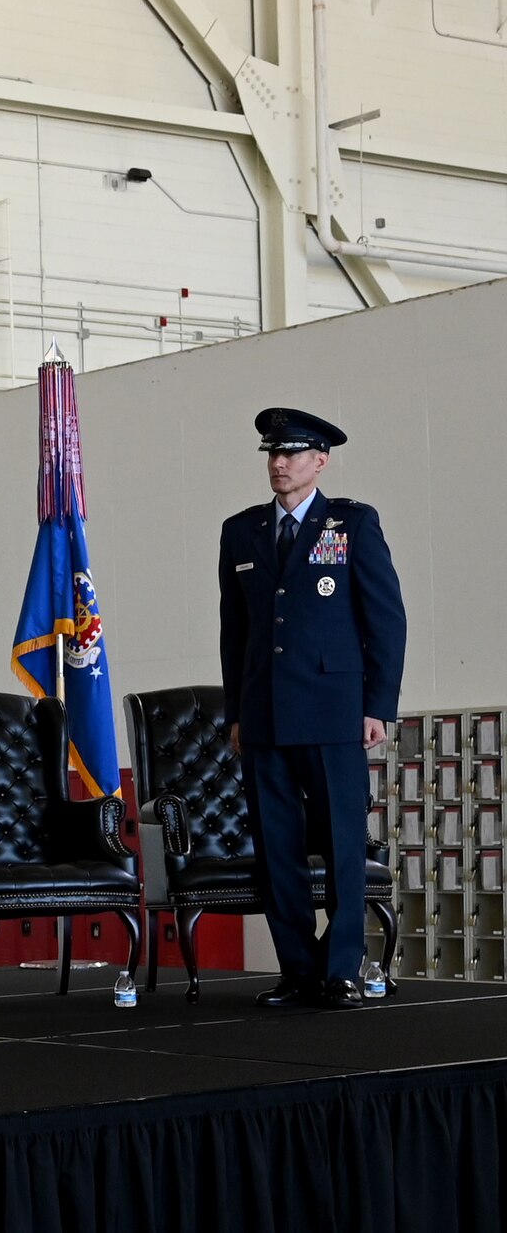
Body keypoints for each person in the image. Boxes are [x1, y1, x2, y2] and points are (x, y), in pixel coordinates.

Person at [219, 407, 405, 1011]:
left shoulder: (350, 524)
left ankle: (341, 969)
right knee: (278, 852)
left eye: (291, 454)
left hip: (333, 712)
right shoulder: (241, 531)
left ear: (319, 461)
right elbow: (236, 633)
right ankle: (298, 969)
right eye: (272, 454)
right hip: (266, 715)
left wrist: (379, 704)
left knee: (343, 844)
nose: (278, 464)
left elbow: (386, 620)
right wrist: (237, 714)